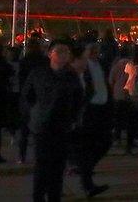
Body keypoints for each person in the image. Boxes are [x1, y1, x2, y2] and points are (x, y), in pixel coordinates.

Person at [22, 42, 84, 202]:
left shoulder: (71, 76)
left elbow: (79, 99)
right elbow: (27, 96)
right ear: (50, 54)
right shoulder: (39, 73)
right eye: (59, 51)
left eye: (66, 51)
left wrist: (74, 119)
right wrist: (34, 114)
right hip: (42, 126)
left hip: (62, 127)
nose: (63, 54)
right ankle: (38, 197)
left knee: (57, 168)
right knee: (42, 166)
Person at [72, 43, 111, 198]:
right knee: (88, 146)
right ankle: (87, 181)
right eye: (91, 51)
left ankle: (84, 170)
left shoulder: (100, 65)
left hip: (101, 110)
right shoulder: (82, 67)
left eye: (96, 51)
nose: (95, 53)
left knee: (105, 143)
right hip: (89, 111)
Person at [17, 36, 49, 163]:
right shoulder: (44, 61)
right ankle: (39, 155)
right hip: (40, 96)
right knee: (39, 129)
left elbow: (21, 79)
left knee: (24, 129)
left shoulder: (25, 60)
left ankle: (22, 155)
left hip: (27, 96)